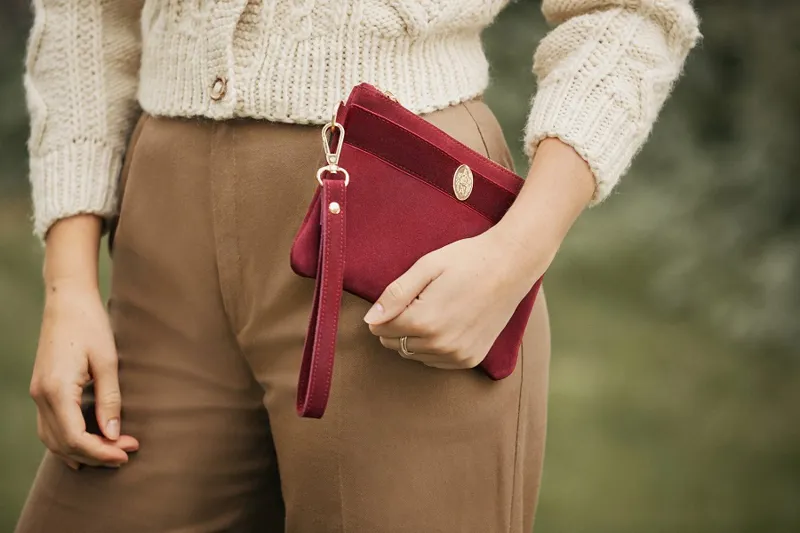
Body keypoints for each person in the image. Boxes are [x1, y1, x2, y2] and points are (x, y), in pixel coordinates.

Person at [16, 1, 700, 532]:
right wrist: (69, 283)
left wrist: (517, 250)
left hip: (398, 220)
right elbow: (84, 18)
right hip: (165, 238)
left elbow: (628, 13)